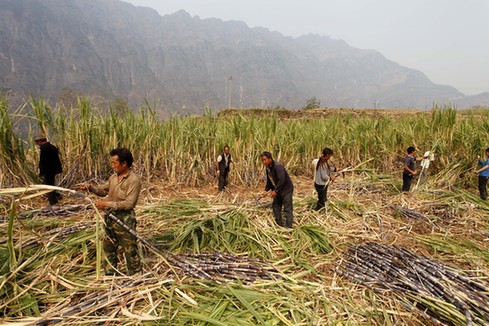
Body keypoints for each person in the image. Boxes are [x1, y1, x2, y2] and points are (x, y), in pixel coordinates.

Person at [80, 148, 142, 275]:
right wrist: (91, 187)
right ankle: (109, 274)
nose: (112, 165)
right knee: (108, 247)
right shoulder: (113, 177)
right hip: (109, 217)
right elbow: (103, 191)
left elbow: (129, 203)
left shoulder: (133, 180)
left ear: (124, 163)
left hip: (124, 219)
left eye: (114, 163)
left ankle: (135, 276)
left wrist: (107, 204)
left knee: (130, 250)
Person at [260, 151, 294, 228]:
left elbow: (282, 180)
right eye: (262, 160)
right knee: (275, 207)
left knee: (287, 209)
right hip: (278, 190)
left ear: (270, 159)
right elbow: (270, 181)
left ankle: (289, 227)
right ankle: (280, 224)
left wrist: (275, 191)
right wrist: (266, 190)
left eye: (264, 160)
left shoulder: (278, 167)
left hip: (286, 190)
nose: (263, 162)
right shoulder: (268, 168)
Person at [34, 134, 63, 205]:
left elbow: (43, 162)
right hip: (53, 170)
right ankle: (57, 195)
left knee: (48, 187)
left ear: (40, 141)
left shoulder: (44, 148)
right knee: (51, 184)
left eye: (37, 142)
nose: (37, 144)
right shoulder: (52, 147)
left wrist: (41, 173)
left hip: (48, 171)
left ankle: (53, 202)